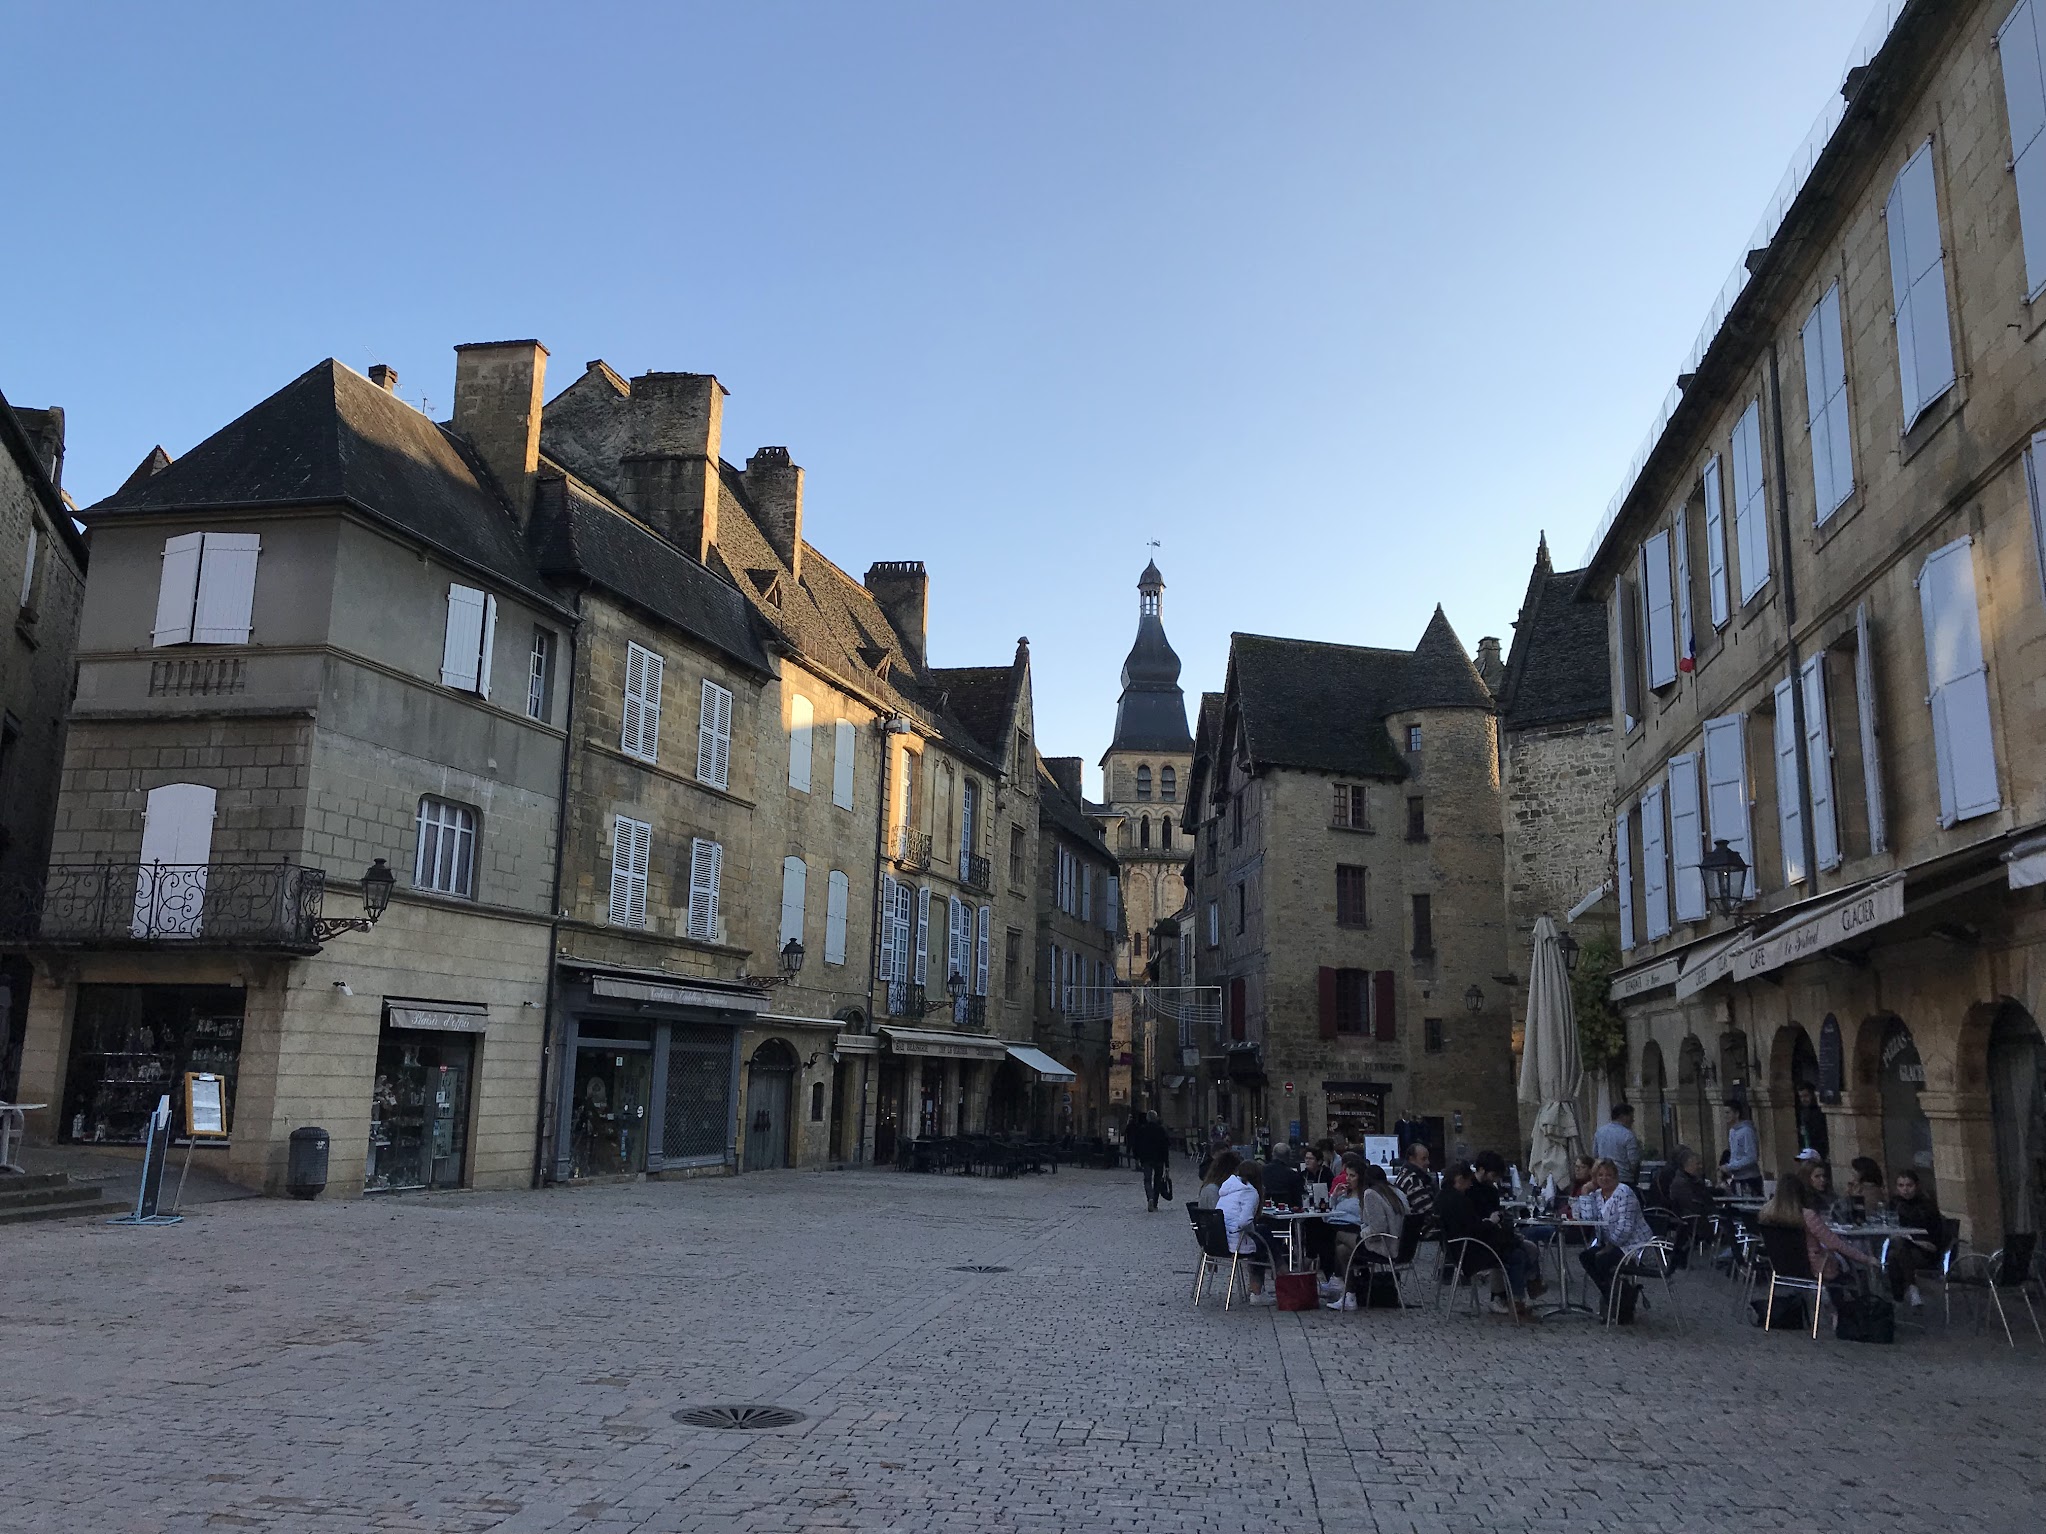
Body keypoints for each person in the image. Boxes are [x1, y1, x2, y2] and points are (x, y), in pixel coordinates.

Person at [1437, 1161, 1537, 1319]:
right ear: (1460, 1179)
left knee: (1517, 1248)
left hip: (1458, 1248)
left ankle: (1519, 1295)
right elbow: (1474, 1229)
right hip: (1471, 1250)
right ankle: (1517, 1300)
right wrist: (1491, 1222)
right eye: (1469, 1181)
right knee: (1517, 1255)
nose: (1470, 1185)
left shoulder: (1443, 1197)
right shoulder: (1458, 1200)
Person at [1760, 1164, 1878, 1289]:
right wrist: (1867, 1259)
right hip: (1815, 1269)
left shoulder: (1766, 1215)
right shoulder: (1807, 1215)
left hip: (1782, 1268)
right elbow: (1835, 1243)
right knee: (1852, 1266)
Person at [1578, 1157, 1658, 1322]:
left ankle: (1618, 1301)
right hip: (1609, 1243)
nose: (1604, 1179)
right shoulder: (1598, 1195)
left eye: (1609, 1175)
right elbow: (1588, 1219)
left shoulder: (1624, 1193)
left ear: (1616, 1176)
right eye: (1600, 1175)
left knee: (1602, 1260)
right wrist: (1585, 1192)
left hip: (1634, 1245)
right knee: (1586, 1257)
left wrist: (1608, 1246)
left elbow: (1625, 1229)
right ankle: (1619, 1296)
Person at [1213, 1155, 1274, 1304]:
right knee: (1264, 1242)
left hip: (1217, 1242)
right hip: (1235, 1242)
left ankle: (1275, 1272)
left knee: (1263, 1235)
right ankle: (1258, 1291)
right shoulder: (1250, 1192)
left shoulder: (1227, 1190)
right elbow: (1244, 1221)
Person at [1885, 1168, 1946, 1308]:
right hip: (1904, 1249)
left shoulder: (1926, 1205)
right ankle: (1912, 1290)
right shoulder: (1894, 1203)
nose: (1905, 1190)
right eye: (1901, 1186)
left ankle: (1898, 1298)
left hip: (1926, 1250)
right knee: (1896, 1251)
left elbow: (1935, 1236)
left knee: (1895, 1253)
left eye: (1909, 1185)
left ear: (1916, 1186)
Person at [1128, 1110, 1171, 1212]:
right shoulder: (1161, 1130)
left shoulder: (1142, 1130)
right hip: (1159, 1160)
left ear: (1147, 1118)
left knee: (1147, 1180)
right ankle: (1155, 1203)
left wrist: (1137, 1157)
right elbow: (1165, 1147)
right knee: (1157, 1181)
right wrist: (1167, 1164)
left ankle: (1150, 1198)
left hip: (1146, 1159)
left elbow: (1136, 1145)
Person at [1592, 1104, 1642, 1189]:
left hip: (1603, 1179)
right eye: (1631, 1117)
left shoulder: (1600, 1132)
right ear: (1623, 1117)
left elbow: (1595, 1155)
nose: (1633, 1120)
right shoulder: (1628, 1135)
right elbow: (1634, 1162)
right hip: (1624, 1179)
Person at [1395, 1141, 1437, 1230]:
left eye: (1428, 1158)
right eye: (1423, 1159)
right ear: (1411, 1159)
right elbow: (1429, 1212)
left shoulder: (1404, 1175)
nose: (1428, 1162)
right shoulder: (1413, 1181)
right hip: (1424, 1233)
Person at [1724, 1101, 1761, 1195]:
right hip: (1736, 1177)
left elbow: (1751, 1157)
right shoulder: (1732, 1131)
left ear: (1736, 1114)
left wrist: (1730, 1166)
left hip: (1749, 1178)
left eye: (1728, 1112)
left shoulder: (1747, 1131)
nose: (1725, 1116)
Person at [1264, 1143, 1308, 1208]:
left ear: (1273, 1154)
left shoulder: (1262, 1171)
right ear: (1289, 1156)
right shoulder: (1293, 1175)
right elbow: (1300, 1198)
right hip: (1288, 1212)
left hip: (1266, 1209)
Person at [1795, 1084, 1831, 1161]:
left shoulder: (1819, 1112)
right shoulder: (1803, 1111)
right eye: (1801, 1097)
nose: (1803, 1099)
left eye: (1806, 1096)